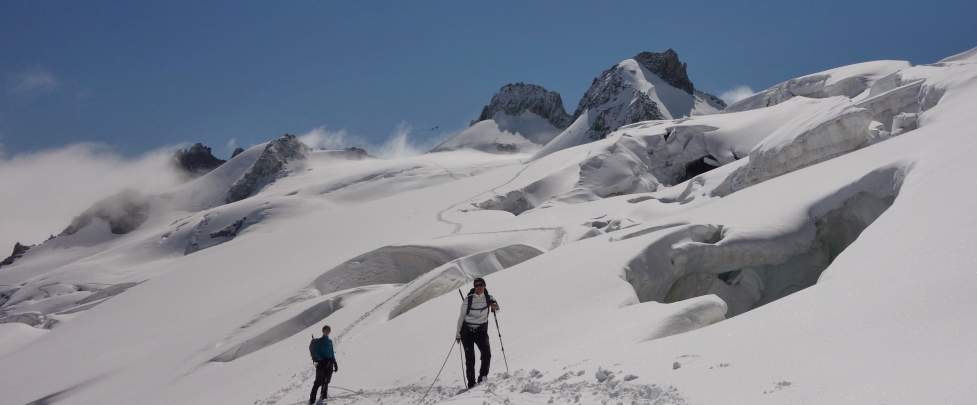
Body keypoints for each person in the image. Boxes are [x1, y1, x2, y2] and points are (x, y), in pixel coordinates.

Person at [455, 277, 499, 388]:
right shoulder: (468, 300)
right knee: (470, 359)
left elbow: (497, 309)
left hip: (481, 331)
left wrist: (494, 306)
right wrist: (458, 334)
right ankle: (471, 384)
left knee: (487, 354)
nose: (478, 287)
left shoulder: (489, 298)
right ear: (474, 287)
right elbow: (461, 317)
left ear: (484, 286)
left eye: (481, 285)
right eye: (476, 285)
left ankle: (482, 378)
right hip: (467, 332)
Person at [309, 325, 339, 404]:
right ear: (323, 331)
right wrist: (321, 360)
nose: (327, 332)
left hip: (329, 363)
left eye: (329, 330)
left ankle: (323, 397)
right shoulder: (319, 341)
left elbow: (332, 353)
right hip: (322, 365)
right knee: (318, 382)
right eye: (326, 330)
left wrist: (335, 362)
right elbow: (315, 352)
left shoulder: (330, 341)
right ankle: (312, 400)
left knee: (326, 381)